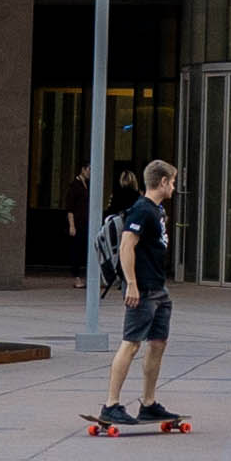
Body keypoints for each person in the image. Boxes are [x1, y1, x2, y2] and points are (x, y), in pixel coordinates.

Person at [95, 158, 183, 430]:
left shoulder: (157, 211)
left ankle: (148, 403)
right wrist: (131, 284)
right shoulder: (142, 210)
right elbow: (126, 246)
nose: (175, 187)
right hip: (142, 290)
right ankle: (111, 405)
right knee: (131, 343)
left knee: (157, 344)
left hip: (159, 289)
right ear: (163, 182)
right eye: (173, 182)